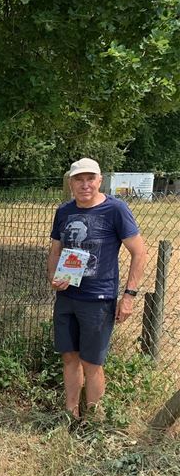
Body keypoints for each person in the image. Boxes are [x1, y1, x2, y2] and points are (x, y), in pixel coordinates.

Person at [47, 157, 146, 423]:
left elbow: (139, 252)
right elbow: (55, 250)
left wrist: (129, 296)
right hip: (67, 297)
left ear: (100, 180)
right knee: (69, 357)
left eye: (90, 178)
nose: (85, 184)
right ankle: (70, 414)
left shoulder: (116, 210)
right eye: (79, 179)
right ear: (71, 183)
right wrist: (54, 277)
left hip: (98, 300)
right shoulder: (64, 211)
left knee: (92, 363)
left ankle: (92, 421)